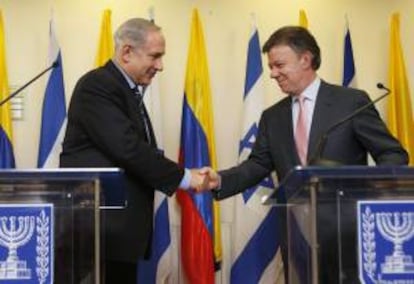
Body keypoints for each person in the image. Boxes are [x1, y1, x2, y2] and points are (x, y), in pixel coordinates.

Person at [201, 26, 408, 283]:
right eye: (271, 66)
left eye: (279, 65)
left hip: (349, 232)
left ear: (306, 59)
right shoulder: (272, 117)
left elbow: (392, 154)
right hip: (297, 235)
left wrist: (367, 190)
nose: (273, 74)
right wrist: (218, 180)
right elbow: (257, 165)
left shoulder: (350, 102)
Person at [60, 18, 206, 283]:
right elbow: (128, 148)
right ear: (127, 52)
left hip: (117, 236)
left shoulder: (126, 91)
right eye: (155, 56)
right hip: (98, 233)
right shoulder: (99, 85)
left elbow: (137, 148)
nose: (160, 66)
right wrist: (185, 178)